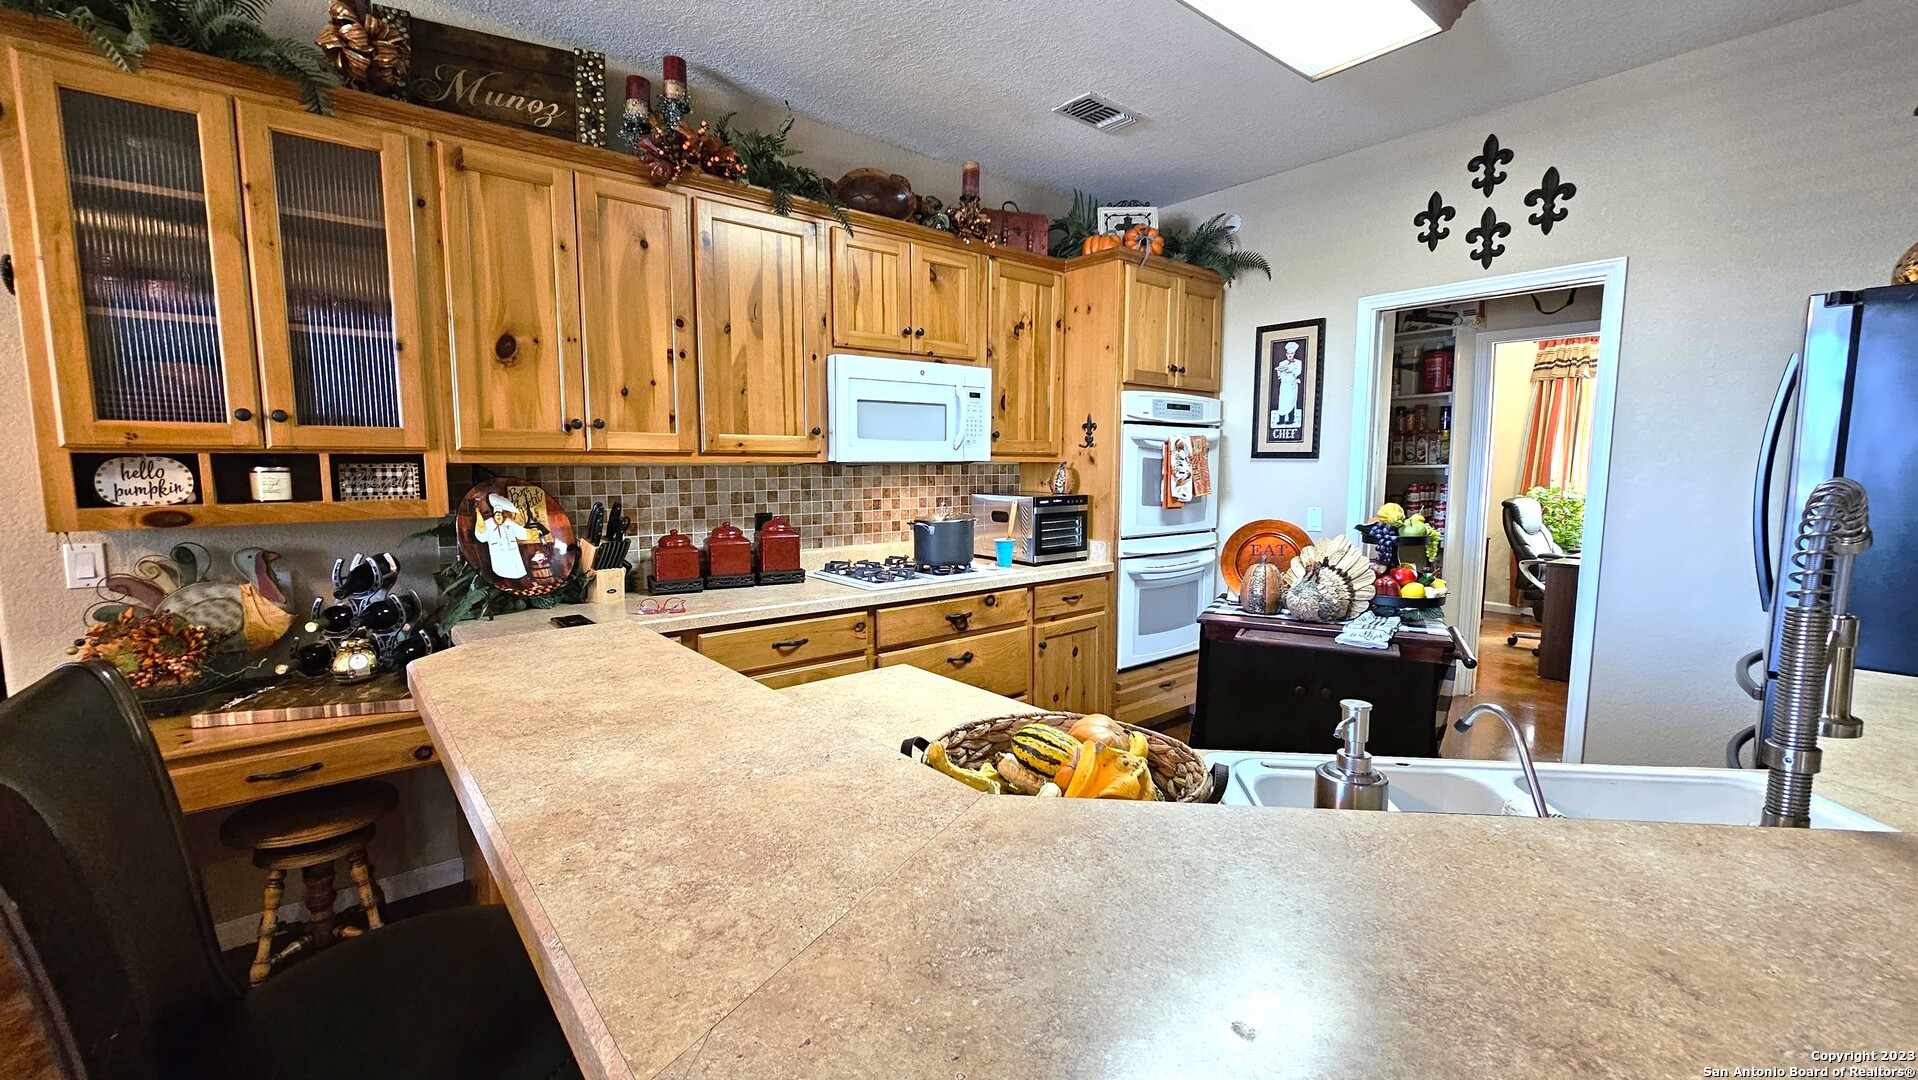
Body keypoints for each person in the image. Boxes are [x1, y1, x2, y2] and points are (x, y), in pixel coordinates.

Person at [474, 493, 529, 580]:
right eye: (497, 513)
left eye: (500, 513)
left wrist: (530, 531)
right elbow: (482, 537)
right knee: (502, 572)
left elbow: (522, 534)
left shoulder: (509, 523)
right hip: (498, 555)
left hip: (512, 553)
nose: (498, 515)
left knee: (517, 571)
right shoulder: (488, 524)